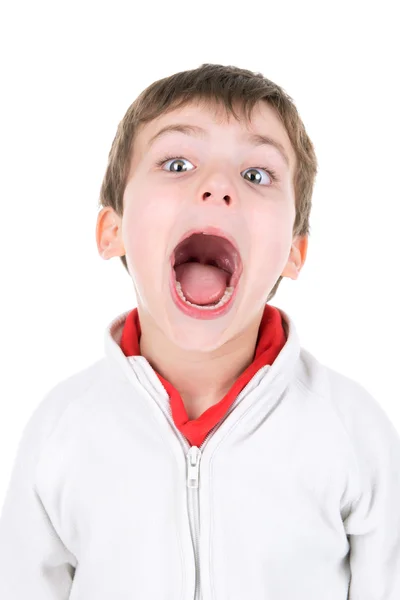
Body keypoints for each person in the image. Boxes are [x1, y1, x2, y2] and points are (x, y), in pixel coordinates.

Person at [1, 63, 399, 599]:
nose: (216, 187)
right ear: (112, 230)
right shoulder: (61, 430)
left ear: (294, 253)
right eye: (177, 162)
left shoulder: (353, 432)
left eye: (256, 174)